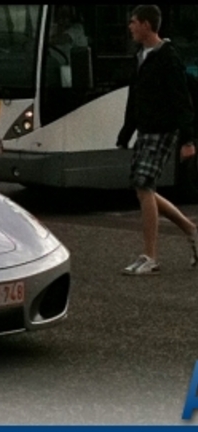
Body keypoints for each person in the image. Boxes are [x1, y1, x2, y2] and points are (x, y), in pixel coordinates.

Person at [116, 4, 198, 275]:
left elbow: (182, 100)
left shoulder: (167, 57)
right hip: (145, 129)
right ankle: (191, 230)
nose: (130, 27)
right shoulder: (140, 56)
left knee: (143, 186)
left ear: (147, 25)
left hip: (162, 130)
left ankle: (149, 256)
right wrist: (126, 132)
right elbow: (134, 97)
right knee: (144, 188)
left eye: (133, 22)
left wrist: (188, 140)